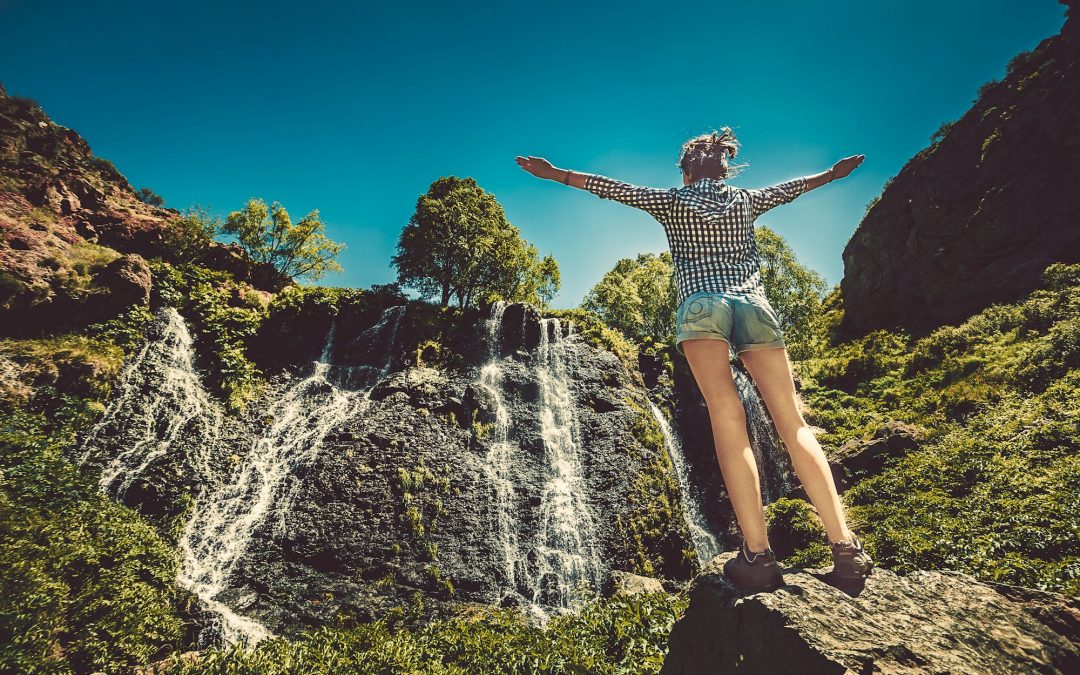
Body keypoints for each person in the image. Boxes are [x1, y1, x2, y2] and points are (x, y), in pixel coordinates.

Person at [515, 128, 874, 591]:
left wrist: (555, 174)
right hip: (755, 306)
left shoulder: (672, 201)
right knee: (794, 425)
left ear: (686, 170)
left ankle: (759, 556)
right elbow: (795, 187)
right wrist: (833, 173)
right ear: (724, 167)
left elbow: (610, 188)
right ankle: (845, 548)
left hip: (701, 305)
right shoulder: (746, 199)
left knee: (728, 418)